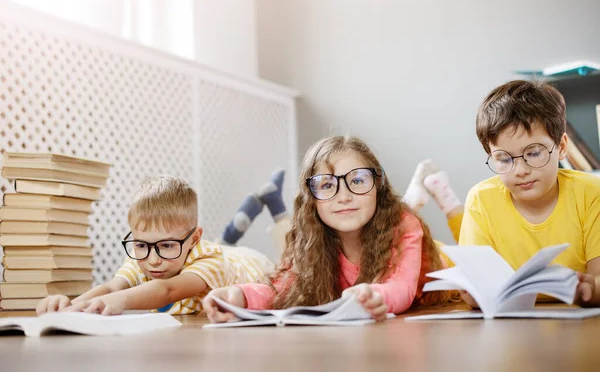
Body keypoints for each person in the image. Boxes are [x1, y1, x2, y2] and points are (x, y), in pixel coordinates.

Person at [202, 135, 452, 323]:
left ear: (378, 186)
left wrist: (374, 295)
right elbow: (282, 288)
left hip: (442, 268)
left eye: (357, 180)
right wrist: (239, 297)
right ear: (311, 198)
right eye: (326, 185)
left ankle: (425, 192)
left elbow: (401, 287)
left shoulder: (403, 224)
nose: (343, 196)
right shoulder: (311, 237)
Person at [36, 174, 286, 315]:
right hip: (201, 253)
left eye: (166, 245)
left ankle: (275, 208)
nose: (153, 260)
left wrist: (120, 302)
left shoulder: (209, 258)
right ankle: (235, 226)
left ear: (194, 239)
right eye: (142, 245)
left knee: (288, 259)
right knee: (213, 246)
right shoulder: (143, 256)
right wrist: (71, 305)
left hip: (250, 264)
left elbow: (168, 290)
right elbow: (112, 288)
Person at [459, 80, 600, 307]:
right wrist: (474, 292)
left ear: (562, 147)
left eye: (534, 153)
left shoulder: (591, 194)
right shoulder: (481, 200)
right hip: (508, 325)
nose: (521, 171)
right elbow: (475, 285)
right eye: (504, 159)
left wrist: (590, 289)